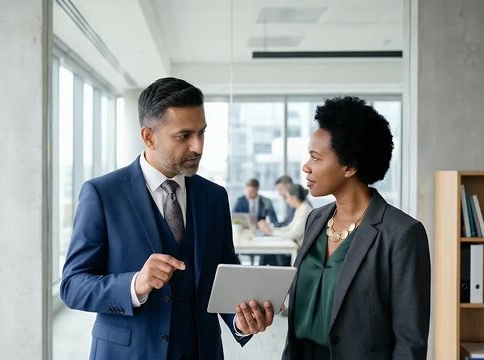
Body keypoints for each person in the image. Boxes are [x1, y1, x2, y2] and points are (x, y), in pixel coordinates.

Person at [60, 77, 276, 360]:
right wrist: (135, 283)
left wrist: (241, 321)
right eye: (184, 136)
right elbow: (72, 286)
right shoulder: (102, 194)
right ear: (149, 136)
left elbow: (222, 277)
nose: (197, 146)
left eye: (202, 133)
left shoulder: (214, 197)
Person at [281, 96, 431, 359]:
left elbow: (410, 340)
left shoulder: (402, 234)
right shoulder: (315, 220)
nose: (306, 166)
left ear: (349, 166)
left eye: (316, 158)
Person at [258, 184, 313, 249]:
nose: (287, 201)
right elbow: (290, 228)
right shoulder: (300, 208)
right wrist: (272, 230)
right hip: (297, 245)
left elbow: (294, 234)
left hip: (301, 248)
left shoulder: (305, 210)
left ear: (294, 198)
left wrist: (272, 232)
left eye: (287, 197)